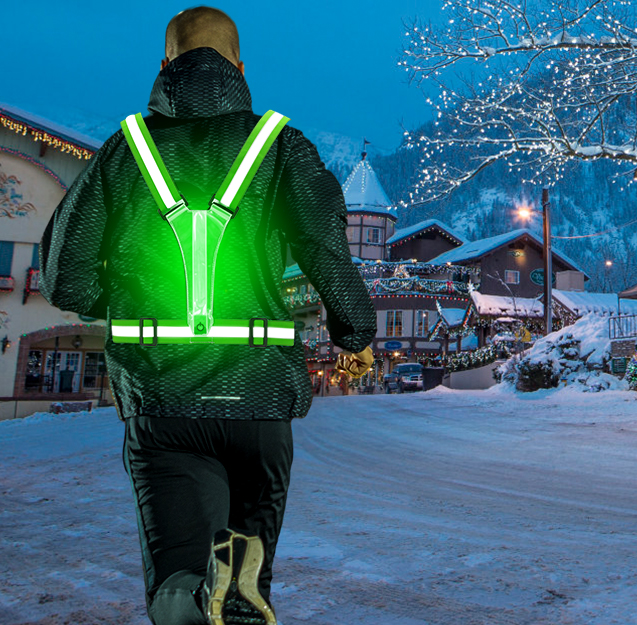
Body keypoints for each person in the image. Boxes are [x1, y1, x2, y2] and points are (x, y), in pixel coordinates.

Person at [40, 7, 376, 624]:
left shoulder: (126, 151)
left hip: (163, 404)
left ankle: (196, 592)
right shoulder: (281, 147)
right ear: (241, 68)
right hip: (262, 409)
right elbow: (330, 250)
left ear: (165, 66)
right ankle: (231, 592)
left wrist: (122, 300)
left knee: (181, 577)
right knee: (246, 591)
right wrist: (354, 333)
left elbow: (64, 276)